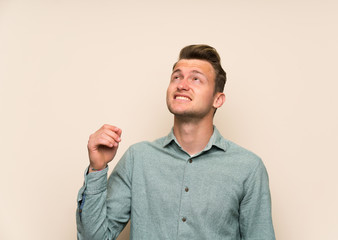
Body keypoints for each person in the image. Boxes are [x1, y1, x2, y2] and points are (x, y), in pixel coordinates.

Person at [76, 44, 276, 240]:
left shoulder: (248, 168)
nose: (182, 84)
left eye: (196, 78)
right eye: (176, 77)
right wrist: (97, 168)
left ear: (218, 99)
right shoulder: (138, 159)